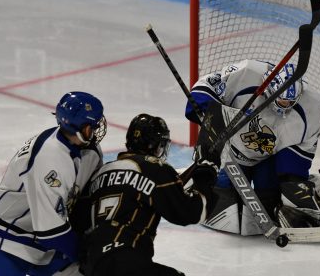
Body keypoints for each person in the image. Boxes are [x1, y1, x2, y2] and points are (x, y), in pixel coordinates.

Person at [185, 59, 320, 236]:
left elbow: (299, 151)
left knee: (267, 200)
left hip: (267, 159)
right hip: (230, 152)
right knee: (222, 196)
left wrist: (293, 183)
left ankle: (313, 187)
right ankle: (200, 177)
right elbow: (208, 84)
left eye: (287, 102)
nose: (281, 106)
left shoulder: (311, 107)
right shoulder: (244, 74)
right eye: (279, 100)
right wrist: (204, 107)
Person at [0, 91, 107, 276]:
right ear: (79, 127)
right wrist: (85, 253)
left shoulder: (90, 152)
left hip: (44, 247)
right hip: (3, 242)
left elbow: (84, 201)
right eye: (92, 125)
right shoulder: (50, 159)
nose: (97, 129)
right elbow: (50, 231)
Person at [77, 113, 218, 276]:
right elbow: (193, 212)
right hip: (127, 261)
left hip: (92, 265)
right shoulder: (155, 168)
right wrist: (206, 175)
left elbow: (78, 221)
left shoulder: (100, 172)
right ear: (155, 145)